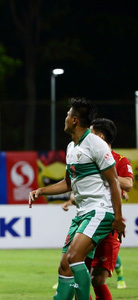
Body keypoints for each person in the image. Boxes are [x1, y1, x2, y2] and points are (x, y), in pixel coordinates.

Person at [28, 98, 125, 300]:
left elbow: (114, 182)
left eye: (66, 115)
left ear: (74, 120)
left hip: (99, 211)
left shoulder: (96, 144)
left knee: (73, 257)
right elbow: (68, 184)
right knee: (64, 266)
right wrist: (41, 190)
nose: (64, 119)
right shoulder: (71, 148)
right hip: (82, 214)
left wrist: (118, 217)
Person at [59, 118, 133, 298]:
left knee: (97, 279)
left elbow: (128, 184)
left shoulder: (120, 160)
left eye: (89, 132)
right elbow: (72, 185)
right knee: (76, 268)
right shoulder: (84, 155)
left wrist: (105, 172)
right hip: (89, 218)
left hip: (108, 224)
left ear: (99, 136)